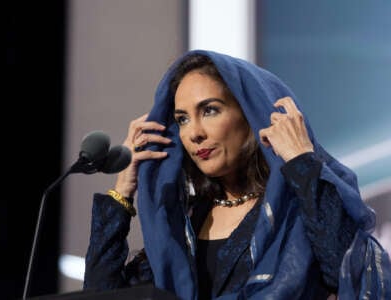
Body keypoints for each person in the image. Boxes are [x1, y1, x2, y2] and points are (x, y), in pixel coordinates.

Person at [83, 50, 391, 299]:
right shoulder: (183, 225)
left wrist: (301, 161)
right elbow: (99, 296)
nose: (194, 133)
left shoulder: (301, 213)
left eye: (210, 110)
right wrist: (122, 191)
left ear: (251, 114)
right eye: (182, 119)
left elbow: (354, 274)